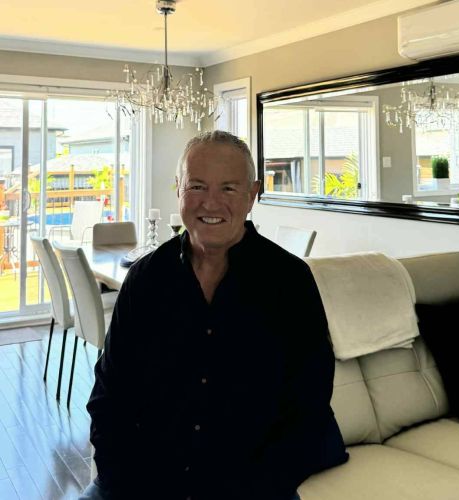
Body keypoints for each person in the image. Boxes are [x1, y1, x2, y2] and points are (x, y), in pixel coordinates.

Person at [80, 130, 348, 500]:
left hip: (253, 489)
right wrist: (121, 478)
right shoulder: (145, 280)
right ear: (178, 189)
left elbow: (309, 407)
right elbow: (110, 395)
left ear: (252, 195)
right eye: (197, 186)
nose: (211, 203)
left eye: (228, 188)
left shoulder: (290, 282)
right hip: (143, 483)